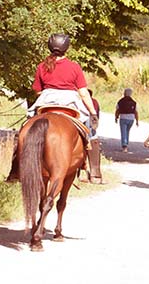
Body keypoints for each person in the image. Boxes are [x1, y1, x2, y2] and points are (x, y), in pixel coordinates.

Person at [6, 34, 99, 182]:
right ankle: (94, 172)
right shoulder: (74, 67)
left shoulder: (42, 66)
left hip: (46, 100)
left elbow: (37, 90)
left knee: (24, 128)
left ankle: (14, 171)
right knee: (91, 133)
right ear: (66, 48)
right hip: (70, 102)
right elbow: (83, 93)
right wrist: (93, 113)